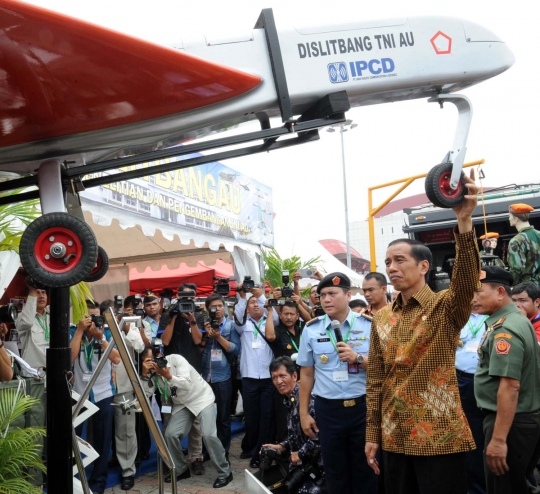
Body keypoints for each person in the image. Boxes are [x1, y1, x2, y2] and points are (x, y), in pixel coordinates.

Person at [365, 169, 481, 494]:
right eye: (387, 262)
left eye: (399, 260)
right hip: (393, 437)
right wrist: (372, 435)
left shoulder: (446, 307)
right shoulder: (382, 318)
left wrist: (464, 222)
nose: (391, 268)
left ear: (423, 267)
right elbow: (375, 380)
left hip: (439, 439)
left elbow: (467, 280)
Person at [297, 272, 375, 494]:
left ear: (349, 295)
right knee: (334, 471)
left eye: (332, 293)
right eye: (322, 295)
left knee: (366, 467)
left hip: (363, 408)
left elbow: (383, 366)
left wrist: (358, 358)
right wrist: (304, 413)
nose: (326, 299)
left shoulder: (369, 325)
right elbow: (307, 374)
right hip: (328, 410)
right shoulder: (312, 329)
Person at [474, 266, 540, 494]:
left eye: (478, 292)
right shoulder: (515, 320)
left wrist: (499, 439)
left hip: (509, 424)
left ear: (500, 292)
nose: (473, 298)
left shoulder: (506, 329)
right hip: (516, 421)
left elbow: (510, 386)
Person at [140, 344, 233, 488]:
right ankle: (181, 469)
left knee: (208, 435)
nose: (155, 361)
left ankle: (225, 472)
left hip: (202, 398)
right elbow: (145, 395)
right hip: (182, 404)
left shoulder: (176, 359)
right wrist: (145, 374)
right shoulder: (152, 374)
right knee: (170, 434)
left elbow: (187, 384)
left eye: (156, 357)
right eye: (149, 360)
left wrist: (168, 375)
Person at [70, 300, 121, 494]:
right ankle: (73, 478)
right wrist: (79, 331)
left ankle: (98, 482)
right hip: (79, 393)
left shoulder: (107, 332)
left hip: (103, 393)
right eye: (89, 317)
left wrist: (100, 338)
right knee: (73, 437)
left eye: (96, 316)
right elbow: (69, 357)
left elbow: (116, 358)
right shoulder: (74, 331)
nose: (93, 321)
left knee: (102, 439)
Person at [262, 356, 326, 494]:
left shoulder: (307, 400)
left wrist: (300, 454)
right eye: (274, 377)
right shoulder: (290, 400)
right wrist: (283, 446)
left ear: (295, 375)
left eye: (282, 376)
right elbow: (297, 433)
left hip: (320, 471)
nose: (279, 381)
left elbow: (320, 437)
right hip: (304, 467)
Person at [159, 282, 205, 475]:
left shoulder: (199, 315)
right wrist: (173, 317)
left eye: (190, 297)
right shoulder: (168, 315)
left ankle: (195, 458)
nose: (187, 300)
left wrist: (192, 320)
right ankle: (172, 459)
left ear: (194, 297)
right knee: (169, 416)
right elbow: (165, 341)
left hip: (192, 372)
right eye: (183, 297)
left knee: (195, 418)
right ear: (177, 297)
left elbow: (197, 340)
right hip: (169, 373)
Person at [235, 284, 276, 468]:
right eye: (252, 303)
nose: (255, 305)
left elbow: (273, 314)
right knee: (251, 416)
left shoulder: (270, 319)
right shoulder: (243, 326)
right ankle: (252, 449)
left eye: (257, 303)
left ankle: (262, 452)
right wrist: (244, 296)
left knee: (266, 415)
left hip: (269, 378)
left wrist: (261, 297)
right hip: (250, 377)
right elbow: (238, 314)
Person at [112, 299, 152, 490]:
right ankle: (103, 462)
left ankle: (127, 471)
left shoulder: (128, 327)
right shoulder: (99, 331)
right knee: (99, 431)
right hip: (100, 388)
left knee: (126, 431)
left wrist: (126, 327)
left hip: (124, 386)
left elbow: (140, 347)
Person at [201, 293, 241, 455]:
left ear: (224, 307)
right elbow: (198, 348)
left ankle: (223, 452)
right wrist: (205, 334)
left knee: (223, 418)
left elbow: (235, 349)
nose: (216, 309)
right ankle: (206, 452)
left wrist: (218, 337)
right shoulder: (204, 325)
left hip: (223, 377)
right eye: (213, 306)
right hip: (205, 377)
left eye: (219, 306)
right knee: (206, 417)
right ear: (207, 308)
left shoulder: (230, 326)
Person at [455, 309, 488, 494]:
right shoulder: (460, 314)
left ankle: (478, 486)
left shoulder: (493, 316)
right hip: (458, 379)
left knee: (477, 435)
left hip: (482, 381)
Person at [265, 301, 303, 442]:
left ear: (297, 316)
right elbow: (269, 336)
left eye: (292, 314)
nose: (288, 317)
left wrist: (299, 301)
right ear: (280, 315)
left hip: (301, 382)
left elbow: (311, 318)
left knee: (301, 417)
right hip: (283, 383)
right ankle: (283, 456)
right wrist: (269, 310)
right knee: (283, 420)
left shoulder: (302, 330)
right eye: (285, 314)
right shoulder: (278, 330)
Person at [15, 278, 50, 375]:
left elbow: (68, 302)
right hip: (33, 375)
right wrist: (32, 290)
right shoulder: (21, 318)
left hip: (52, 373)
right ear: (28, 298)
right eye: (37, 293)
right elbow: (27, 323)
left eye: (44, 292)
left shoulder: (52, 314)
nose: (41, 296)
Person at [508, 203, 540, 286]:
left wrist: (511, 285)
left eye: (510, 216)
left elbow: (517, 269)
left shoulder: (516, 241)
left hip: (527, 289)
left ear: (516, 218)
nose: (509, 218)